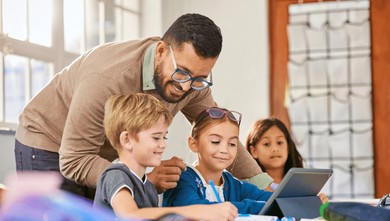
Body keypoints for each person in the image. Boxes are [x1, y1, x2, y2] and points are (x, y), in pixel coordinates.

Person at [14, 13, 272, 200]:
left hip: (98, 154)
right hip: (49, 143)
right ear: (161, 51)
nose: (186, 87)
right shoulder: (108, 77)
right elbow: (75, 159)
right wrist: (144, 179)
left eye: (200, 78)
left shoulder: (193, 84)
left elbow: (221, 132)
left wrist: (270, 188)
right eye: (181, 73)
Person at [93, 93, 238, 221]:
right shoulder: (115, 175)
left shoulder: (147, 186)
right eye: (156, 137)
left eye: (164, 137)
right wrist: (197, 211)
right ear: (127, 139)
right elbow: (131, 215)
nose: (163, 144)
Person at [162, 107, 273, 215]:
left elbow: (275, 199)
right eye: (215, 142)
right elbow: (193, 208)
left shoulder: (233, 184)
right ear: (193, 143)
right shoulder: (182, 178)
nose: (225, 150)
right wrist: (252, 206)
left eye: (232, 144)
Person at [245, 118, 304, 190]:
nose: (275, 149)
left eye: (279, 142)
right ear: (254, 151)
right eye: (266, 144)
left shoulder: (302, 184)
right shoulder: (249, 187)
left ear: (288, 147)